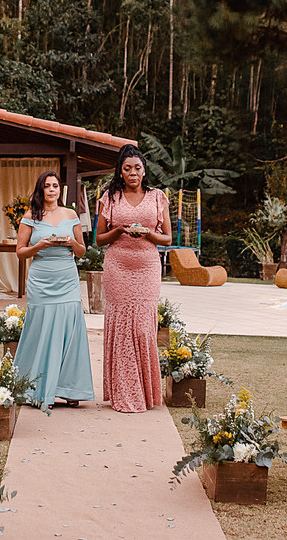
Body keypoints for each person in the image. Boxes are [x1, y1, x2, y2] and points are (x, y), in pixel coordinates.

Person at [94, 143, 172, 413]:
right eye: (127, 168)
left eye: (137, 167)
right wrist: (119, 230)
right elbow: (99, 239)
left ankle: (147, 393)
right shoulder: (109, 198)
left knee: (143, 328)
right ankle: (124, 394)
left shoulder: (158, 197)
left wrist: (148, 234)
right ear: (121, 171)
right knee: (122, 329)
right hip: (118, 265)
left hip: (147, 266)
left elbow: (168, 238)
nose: (133, 173)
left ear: (144, 169)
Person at [13, 170, 94, 412]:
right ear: (41, 189)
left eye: (55, 186)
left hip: (67, 278)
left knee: (71, 328)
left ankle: (70, 389)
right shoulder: (30, 217)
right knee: (41, 329)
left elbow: (82, 251)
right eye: (47, 186)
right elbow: (20, 251)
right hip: (41, 277)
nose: (51, 189)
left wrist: (71, 243)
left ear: (60, 190)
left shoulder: (71, 215)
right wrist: (39, 245)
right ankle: (35, 388)